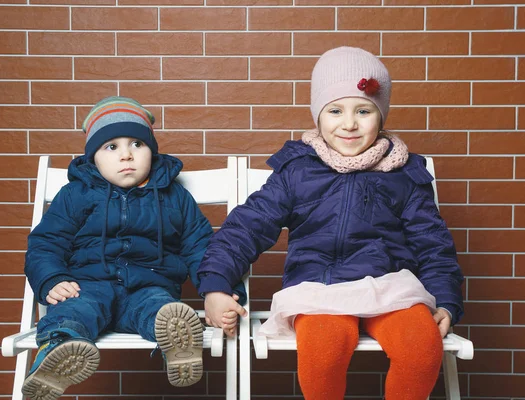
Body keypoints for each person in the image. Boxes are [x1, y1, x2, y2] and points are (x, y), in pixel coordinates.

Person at [198, 47, 464, 400]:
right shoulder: (297, 171)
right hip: (318, 288)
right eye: (335, 110)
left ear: (380, 117)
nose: (349, 123)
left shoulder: (403, 175)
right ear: (318, 116)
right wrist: (216, 285)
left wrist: (446, 301)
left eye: (364, 110)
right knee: (324, 350)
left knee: (421, 347)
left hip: (390, 288)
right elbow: (246, 228)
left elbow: (433, 244)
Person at [23, 96, 214, 398]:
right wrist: (51, 279)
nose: (126, 155)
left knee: (159, 309)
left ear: (151, 150)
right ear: (93, 158)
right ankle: (58, 350)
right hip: (87, 285)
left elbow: (199, 246)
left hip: (149, 284)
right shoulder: (76, 195)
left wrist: (216, 289)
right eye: (112, 147)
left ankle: (177, 343)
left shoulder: (172, 196)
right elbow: (46, 242)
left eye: (137, 145)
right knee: (73, 311)